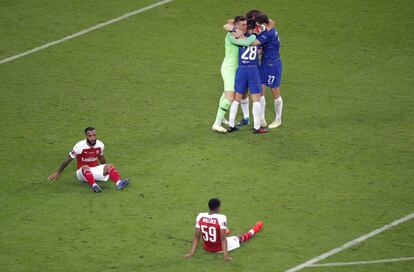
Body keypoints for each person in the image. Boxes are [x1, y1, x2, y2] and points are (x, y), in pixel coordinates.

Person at [47, 127, 130, 193]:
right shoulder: (79, 146)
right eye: (90, 136)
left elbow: (101, 158)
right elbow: (68, 159)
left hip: (94, 170)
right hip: (82, 172)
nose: (93, 138)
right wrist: (58, 172)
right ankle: (94, 186)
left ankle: (119, 183)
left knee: (110, 165)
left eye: (94, 135)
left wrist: (107, 170)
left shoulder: (100, 145)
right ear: (86, 136)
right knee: (86, 167)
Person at [212, 16, 258, 133]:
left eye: (246, 24)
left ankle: (221, 118)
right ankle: (216, 123)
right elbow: (247, 43)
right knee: (230, 97)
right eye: (243, 25)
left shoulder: (237, 32)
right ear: (236, 26)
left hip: (235, 70)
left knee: (225, 94)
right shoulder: (232, 36)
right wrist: (254, 35)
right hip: (229, 69)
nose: (245, 27)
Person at [184, 198, 263, 261]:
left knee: (219, 230)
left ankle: (225, 231)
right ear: (218, 207)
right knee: (239, 238)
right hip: (218, 248)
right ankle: (255, 229)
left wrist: (191, 253)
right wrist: (226, 256)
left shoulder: (200, 216)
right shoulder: (222, 218)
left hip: (206, 247)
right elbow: (223, 239)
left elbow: (197, 236)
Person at [227, 19, 269, 134]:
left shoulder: (238, 37)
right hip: (253, 70)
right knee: (256, 99)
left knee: (237, 99)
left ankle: (231, 125)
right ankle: (257, 127)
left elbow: (230, 23)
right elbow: (260, 52)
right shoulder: (256, 39)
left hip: (241, 69)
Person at [254, 13, 283, 128]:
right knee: (261, 90)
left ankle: (278, 119)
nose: (256, 26)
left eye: (257, 24)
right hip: (265, 63)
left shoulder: (268, 33)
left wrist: (244, 36)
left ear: (262, 24)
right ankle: (262, 119)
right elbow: (271, 21)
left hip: (273, 64)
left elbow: (254, 43)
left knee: (274, 90)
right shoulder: (269, 27)